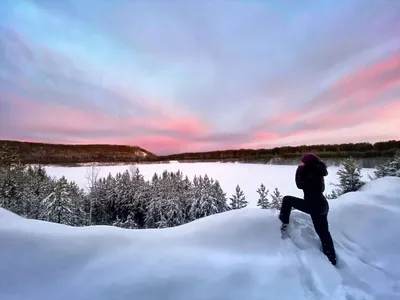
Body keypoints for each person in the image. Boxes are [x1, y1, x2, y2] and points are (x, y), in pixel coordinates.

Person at [279, 153, 337, 265]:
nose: (301, 164)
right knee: (324, 232)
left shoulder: (311, 172)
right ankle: (331, 257)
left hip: (313, 206)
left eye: (303, 162)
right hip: (322, 205)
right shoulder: (319, 171)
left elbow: (300, 185)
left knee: (287, 200)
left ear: (308, 163)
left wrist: (299, 170)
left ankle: (284, 222)